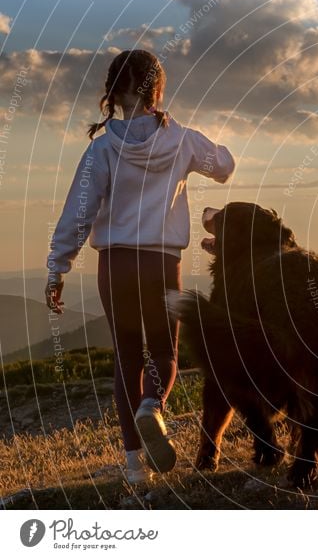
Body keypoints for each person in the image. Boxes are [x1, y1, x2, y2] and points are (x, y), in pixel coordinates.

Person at [45, 49, 235, 484]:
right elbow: (224, 167)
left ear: (114, 91)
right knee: (164, 352)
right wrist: (200, 149)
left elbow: (79, 214)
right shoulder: (181, 139)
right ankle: (153, 406)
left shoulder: (101, 150)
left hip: (114, 266)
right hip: (160, 264)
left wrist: (58, 269)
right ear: (156, 88)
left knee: (126, 359)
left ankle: (134, 468)